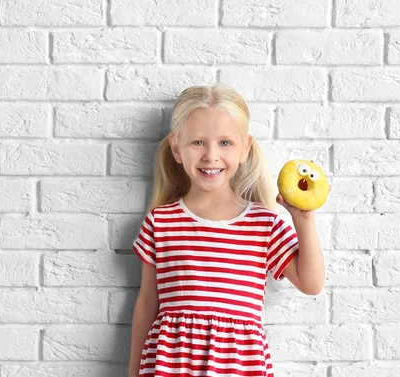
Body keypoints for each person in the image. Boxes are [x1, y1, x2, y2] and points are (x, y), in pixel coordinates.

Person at [128, 84, 326, 377]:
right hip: (171, 365)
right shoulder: (162, 221)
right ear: (176, 148)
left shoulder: (264, 224)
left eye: (225, 143)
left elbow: (312, 284)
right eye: (197, 143)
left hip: (238, 367)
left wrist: (304, 219)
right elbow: (147, 302)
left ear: (245, 148)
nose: (211, 155)